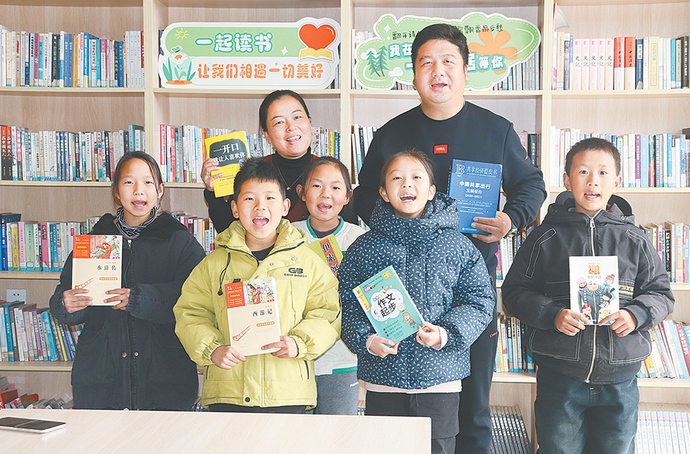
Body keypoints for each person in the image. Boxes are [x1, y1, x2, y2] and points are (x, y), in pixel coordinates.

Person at [351, 23, 547, 453]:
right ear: (413, 74)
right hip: (398, 294)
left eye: (447, 62)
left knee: (472, 409)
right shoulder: (391, 134)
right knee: (398, 413)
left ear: (465, 70)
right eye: (426, 63)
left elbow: (532, 186)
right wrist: (397, 231)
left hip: (465, 294)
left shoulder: (496, 129)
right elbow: (364, 195)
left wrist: (510, 220)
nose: (437, 71)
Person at [502, 138, 674, 453]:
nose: (593, 180)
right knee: (558, 448)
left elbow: (661, 293)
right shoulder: (545, 237)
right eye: (583, 171)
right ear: (567, 181)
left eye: (603, 173)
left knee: (616, 447)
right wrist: (552, 315)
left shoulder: (634, 239)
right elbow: (514, 292)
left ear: (617, 181)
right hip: (560, 374)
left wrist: (635, 314)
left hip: (619, 376)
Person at [339, 150, 495, 453]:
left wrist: (446, 334)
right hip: (384, 378)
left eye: (416, 177)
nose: (406, 184)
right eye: (396, 178)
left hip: (440, 378)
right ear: (384, 193)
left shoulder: (457, 245)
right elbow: (346, 303)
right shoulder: (364, 248)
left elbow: (479, 300)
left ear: (432, 190)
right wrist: (367, 340)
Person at [174, 158, 341, 413]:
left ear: (285, 206)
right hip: (228, 393)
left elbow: (328, 313)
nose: (260, 206)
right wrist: (213, 349)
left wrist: (299, 343)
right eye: (249, 198)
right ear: (235, 208)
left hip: (287, 394)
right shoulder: (214, 264)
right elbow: (190, 313)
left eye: (270, 198)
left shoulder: (308, 262)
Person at [49, 151, 206, 410]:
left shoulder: (179, 241)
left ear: (160, 190)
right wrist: (65, 304)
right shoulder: (95, 240)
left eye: (147, 182)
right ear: (116, 191)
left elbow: (196, 298)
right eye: (129, 182)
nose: (138, 190)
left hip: (164, 378)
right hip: (102, 379)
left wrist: (140, 299)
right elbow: (64, 296)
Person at [202, 89, 357, 233]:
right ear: (266, 135)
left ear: (309, 122)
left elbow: (346, 229)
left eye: (297, 117)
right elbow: (229, 229)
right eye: (279, 122)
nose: (291, 127)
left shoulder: (329, 172)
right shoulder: (255, 171)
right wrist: (212, 190)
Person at [291, 156, 367, 415]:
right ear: (302, 193)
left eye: (335, 187)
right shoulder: (287, 235)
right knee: (292, 433)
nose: (325, 194)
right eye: (316, 186)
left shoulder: (360, 239)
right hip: (295, 355)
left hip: (343, 358)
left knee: (337, 432)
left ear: (347, 196)